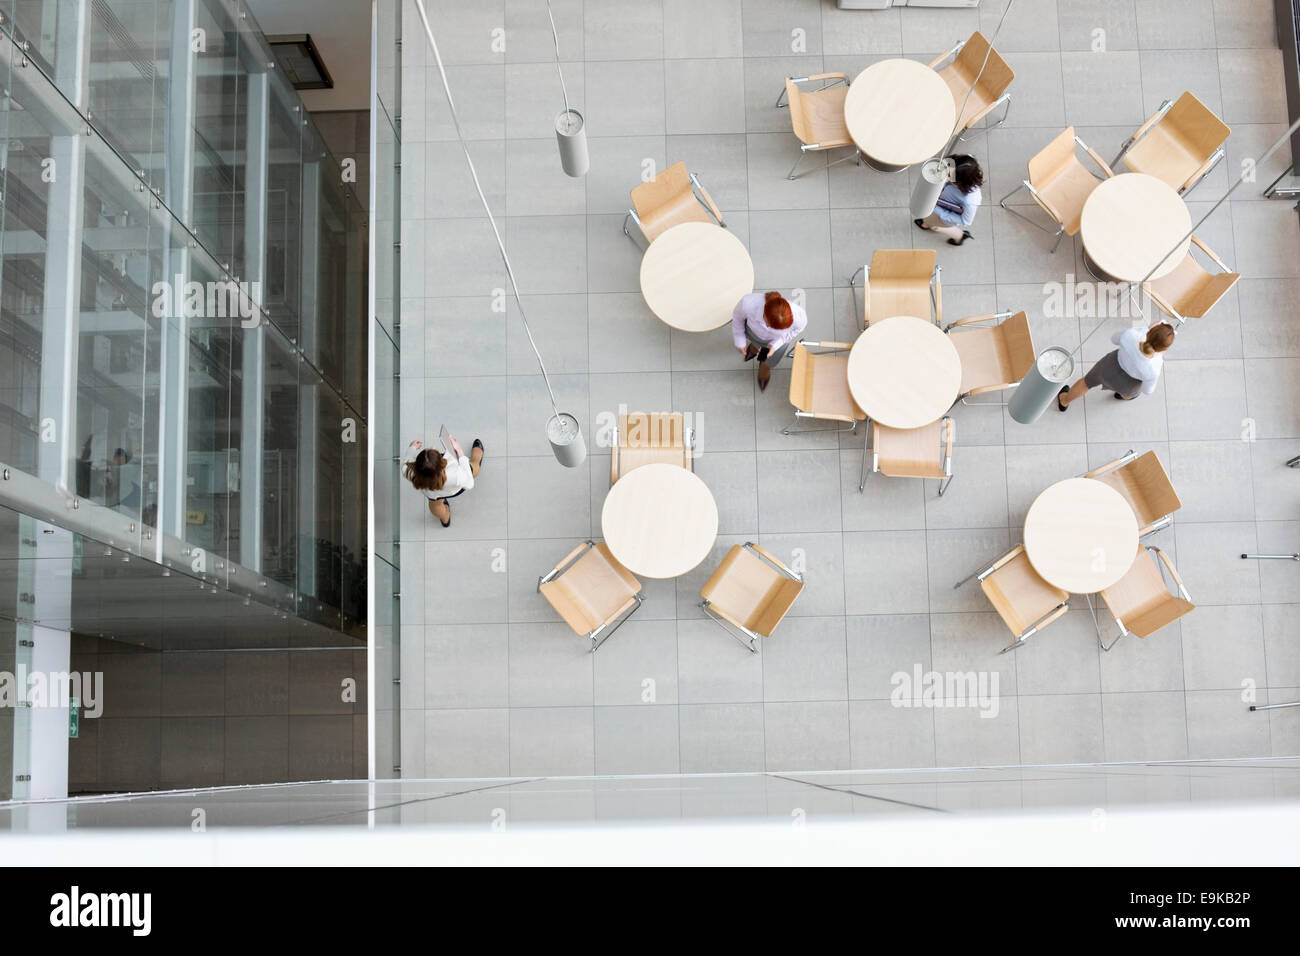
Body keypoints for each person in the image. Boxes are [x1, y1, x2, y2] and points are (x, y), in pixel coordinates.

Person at [1058, 323, 1175, 411]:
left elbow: (1114, 338)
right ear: (1164, 349)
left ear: (1150, 331)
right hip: (1128, 385)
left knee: (1086, 383)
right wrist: (1159, 355)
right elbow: (1147, 390)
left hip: (1108, 367)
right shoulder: (1155, 367)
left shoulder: (1132, 335)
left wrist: (1144, 329)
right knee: (1131, 394)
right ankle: (1121, 396)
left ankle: (1064, 400)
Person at [731, 290, 808, 392]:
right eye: (769, 325)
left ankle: (764, 370)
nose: (771, 329)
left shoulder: (799, 317)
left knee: (769, 360)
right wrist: (739, 338)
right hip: (753, 332)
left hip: (778, 341)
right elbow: (737, 317)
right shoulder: (748, 303)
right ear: (764, 312)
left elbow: (796, 330)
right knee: (755, 345)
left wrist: (775, 345)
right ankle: (753, 349)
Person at [403, 433, 484, 528]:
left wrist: (411, 449)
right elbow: (469, 483)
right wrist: (459, 451)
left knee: (436, 507)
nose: (433, 447)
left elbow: (406, 461)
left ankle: (445, 519)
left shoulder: (408, 470)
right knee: (472, 468)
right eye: (433, 451)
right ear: (442, 464)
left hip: (433, 495)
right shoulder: (456, 475)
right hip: (453, 490)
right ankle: (476, 459)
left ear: (416, 465)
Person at [916, 154, 983, 246]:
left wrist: (936, 209)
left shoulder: (970, 200)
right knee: (929, 218)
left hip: (943, 216)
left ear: (961, 180)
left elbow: (966, 221)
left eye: (949, 176)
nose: (946, 177)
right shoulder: (965, 163)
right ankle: (929, 224)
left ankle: (959, 235)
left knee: (932, 223)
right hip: (940, 204)